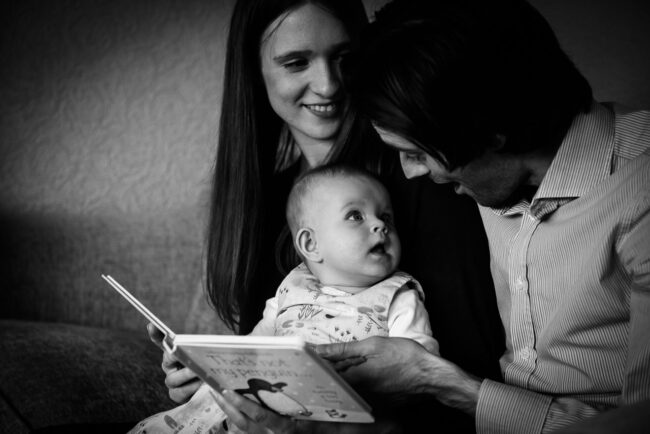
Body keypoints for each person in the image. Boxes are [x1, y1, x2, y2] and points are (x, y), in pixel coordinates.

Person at [211, 0, 650, 433]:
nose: (411, 173)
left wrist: (433, 378)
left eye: (417, 154)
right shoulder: (487, 176)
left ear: (492, 134)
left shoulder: (634, 192)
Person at [153, 0, 505, 431]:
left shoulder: (428, 180)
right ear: (254, 71)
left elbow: (466, 386)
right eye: (297, 62)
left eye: (344, 59)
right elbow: (263, 357)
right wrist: (205, 374)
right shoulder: (261, 204)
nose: (329, 84)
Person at [134, 165, 438, 433]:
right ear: (310, 243)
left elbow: (417, 370)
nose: (380, 225)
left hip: (331, 421)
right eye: (356, 215)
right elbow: (252, 347)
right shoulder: (291, 287)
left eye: (386, 216)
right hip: (261, 401)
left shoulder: (400, 296)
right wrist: (203, 360)